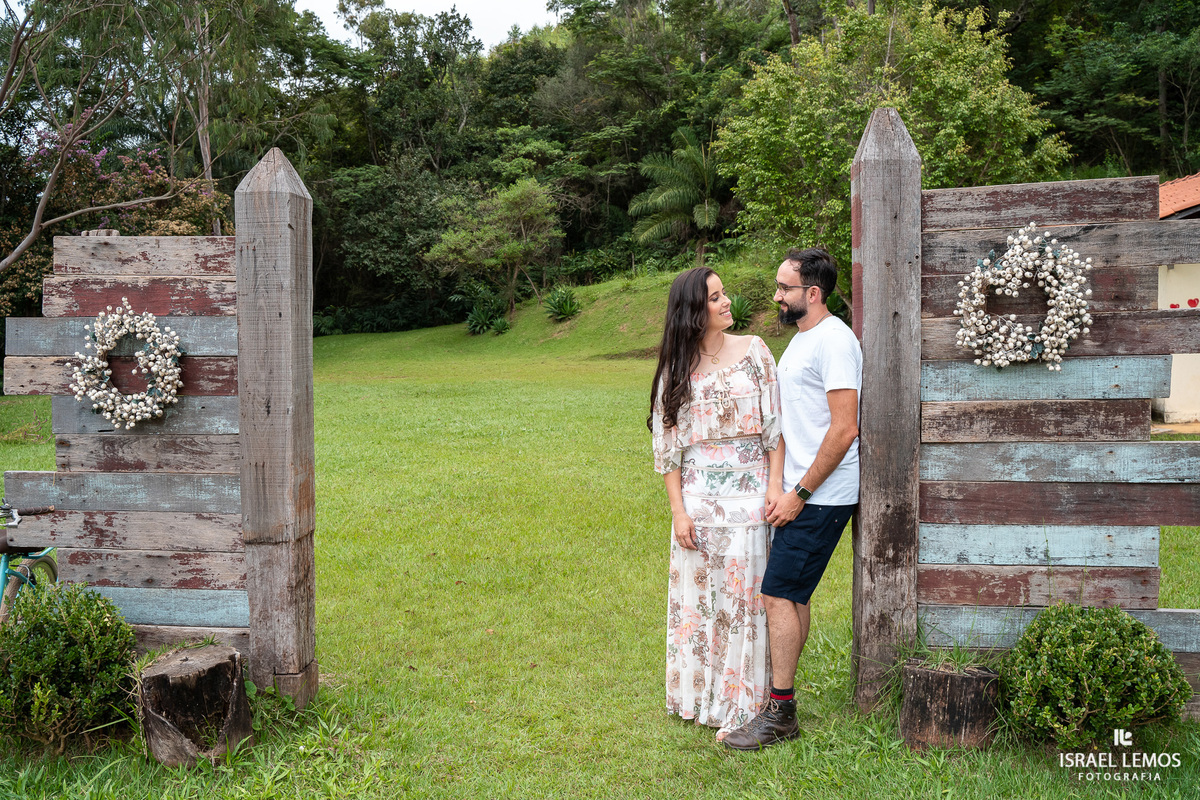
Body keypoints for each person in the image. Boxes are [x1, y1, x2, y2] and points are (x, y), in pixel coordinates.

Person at [722, 247, 862, 751]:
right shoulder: (803, 341)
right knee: (791, 593)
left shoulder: (835, 342)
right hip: (801, 491)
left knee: (777, 593)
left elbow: (845, 429)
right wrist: (779, 487)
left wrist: (800, 494)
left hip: (823, 495)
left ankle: (780, 712)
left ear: (813, 294)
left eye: (784, 288)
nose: (776, 296)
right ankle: (781, 703)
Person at [649, 266, 783, 741]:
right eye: (715, 297)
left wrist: (774, 485)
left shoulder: (756, 352)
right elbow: (668, 450)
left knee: (746, 602)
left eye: (725, 293)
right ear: (692, 311)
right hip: (699, 506)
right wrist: (678, 511)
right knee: (702, 607)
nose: (727, 302)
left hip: (750, 502)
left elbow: (774, 429)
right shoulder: (675, 370)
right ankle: (699, 698)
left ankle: (746, 701)